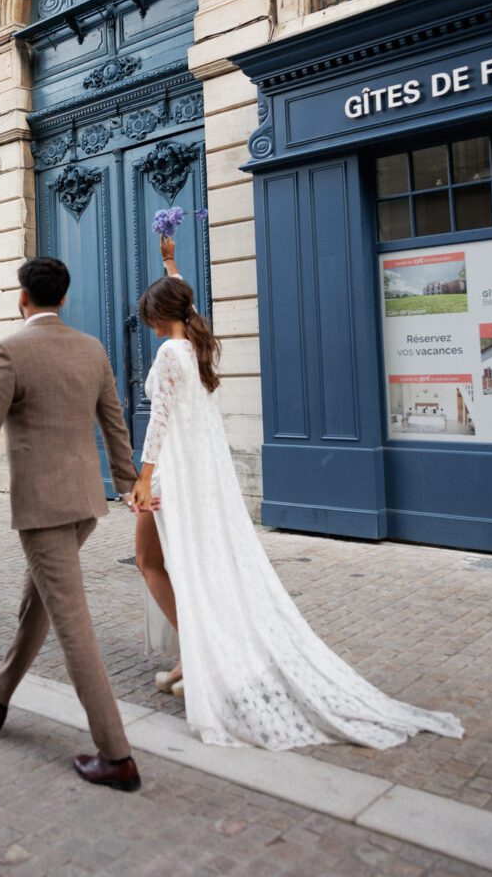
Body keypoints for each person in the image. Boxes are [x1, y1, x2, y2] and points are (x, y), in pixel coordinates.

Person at [129, 235, 464, 751]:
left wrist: (144, 476)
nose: (148, 322)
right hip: (194, 473)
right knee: (164, 560)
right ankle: (193, 655)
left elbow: (159, 421)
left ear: (157, 316)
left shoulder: (172, 351)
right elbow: (184, 300)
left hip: (173, 473)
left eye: (149, 313)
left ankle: (200, 656)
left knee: (152, 561)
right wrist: (171, 264)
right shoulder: (195, 341)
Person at [0, 257, 142, 791]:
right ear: (63, 299)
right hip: (83, 504)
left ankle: (116, 755)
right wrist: (126, 482)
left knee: (72, 624)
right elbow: (114, 421)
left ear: (22, 297)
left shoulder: (11, 350)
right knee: (39, 604)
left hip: (43, 510)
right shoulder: (91, 349)